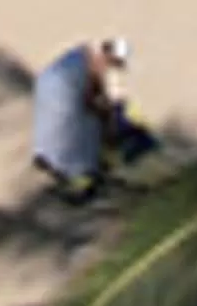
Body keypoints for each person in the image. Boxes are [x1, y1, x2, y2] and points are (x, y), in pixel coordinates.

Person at [31, 35, 141, 199]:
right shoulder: (97, 63)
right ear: (110, 56)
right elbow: (91, 98)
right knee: (86, 127)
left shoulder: (86, 52)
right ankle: (80, 171)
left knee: (53, 124)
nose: (113, 68)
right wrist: (107, 119)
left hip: (47, 86)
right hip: (62, 92)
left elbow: (96, 90)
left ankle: (47, 155)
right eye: (115, 63)